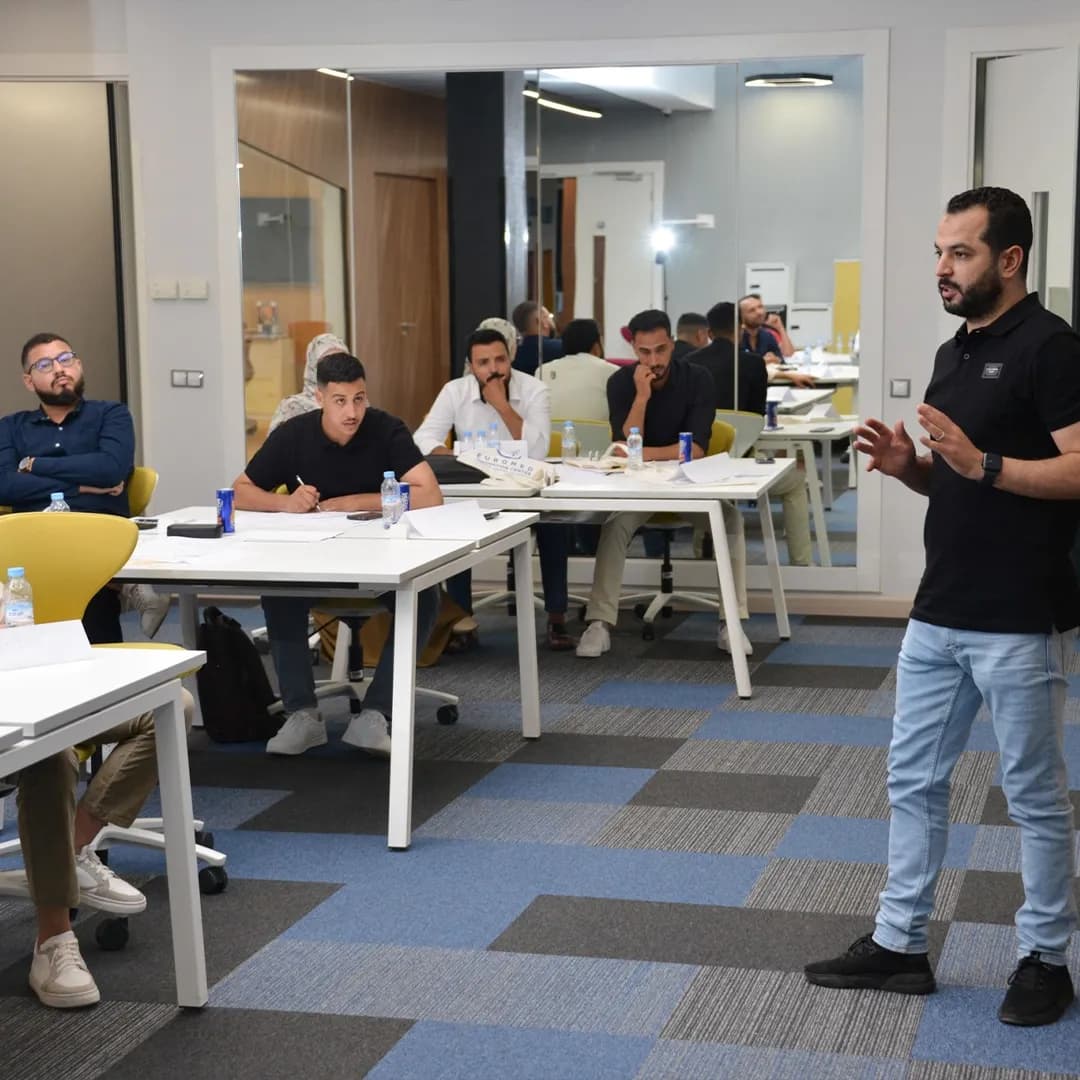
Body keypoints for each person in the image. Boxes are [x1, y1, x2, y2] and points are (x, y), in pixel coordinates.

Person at [806, 187, 1080, 1027]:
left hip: (1018, 615)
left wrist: (982, 462)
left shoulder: (1052, 348)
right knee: (913, 781)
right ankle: (901, 944)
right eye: (939, 252)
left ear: (1010, 259)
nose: (942, 268)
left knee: (1032, 796)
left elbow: (1076, 469)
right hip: (938, 611)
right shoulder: (953, 351)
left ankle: (1045, 959)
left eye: (960, 253)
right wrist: (912, 469)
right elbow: (961, 478)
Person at [233, 352, 443, 756]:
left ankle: (377, 713)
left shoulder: (386, 429)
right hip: (315, 562)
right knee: (278, 591)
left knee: (426, 596)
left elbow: (430, 494)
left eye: (359, 399)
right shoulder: (295, 435)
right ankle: (302, 714)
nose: (352, 412)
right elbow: (240, 490)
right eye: (340, 401)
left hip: (381, 562)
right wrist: (285, 503)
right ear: (320, 398)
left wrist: (355, 501)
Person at [576, 309, 752, 659]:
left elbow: (694, 451)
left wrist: (641, 453)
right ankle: (599, 622)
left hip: (689, 487)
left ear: (672, 344)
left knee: (731, 520)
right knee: (614, 525)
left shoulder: (697, 378)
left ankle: (731, 622)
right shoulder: (620, 383)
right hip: (638, 489)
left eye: (660, 350)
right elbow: (624, 445)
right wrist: (641, 397)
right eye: (644, 352)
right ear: (633, 349)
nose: (653, 361)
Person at [14, 692, 194, 1008]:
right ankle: (53, 940)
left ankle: (70, 848)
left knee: (174, 703)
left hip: (43, 693)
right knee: (51, 757)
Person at [414, 327, 576, 650]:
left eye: (500, 360)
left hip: (526, 491)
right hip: (477, 491)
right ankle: (462, 621)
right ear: (471, 366)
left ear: (510, 358)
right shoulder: (455, 391)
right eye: (483, 363)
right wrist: (456, 456)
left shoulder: (534, 390)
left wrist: (502, 405)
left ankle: (557, 617)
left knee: (555, 526)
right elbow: (422, 438)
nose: (493, 369)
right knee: (454, 528)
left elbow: (538, 450)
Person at [0, 332, 168, 640]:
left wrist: (35, 464)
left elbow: (109, 470)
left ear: (78, 365)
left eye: (66, 359)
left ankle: (116, 588)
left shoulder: (111, 414)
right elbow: (5, 485)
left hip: (95, 535)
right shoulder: (10, 427)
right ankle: (125, 585)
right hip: (35, 541)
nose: (59, 369)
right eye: (45, 364)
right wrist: (81, 488)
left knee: (90, 611)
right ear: (29, 381)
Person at [690, 302, 812, 567]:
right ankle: (801, 564)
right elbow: (756, 418)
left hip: (699, 463)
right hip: (740, 462)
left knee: (706, 487)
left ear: (709, 332)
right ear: (739, 329)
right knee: (795, 481)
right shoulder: (753, 364)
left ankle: (700, 559)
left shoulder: (688, 363)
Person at [535, 317, 614, 424]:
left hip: (551, 434)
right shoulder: (612, 372)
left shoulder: (542, 370)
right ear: (596, 346)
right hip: (598, 434)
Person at [269, 331, 348, 433]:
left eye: (341, 361)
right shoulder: (292, 407)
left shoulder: (357, 402)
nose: (335, 368)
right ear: (312, 367)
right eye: (327, 362)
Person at [511, 300, 564, 376]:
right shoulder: (562, 348)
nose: (551, 320)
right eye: (549, 316)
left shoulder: (513, 355)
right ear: (542, 321)